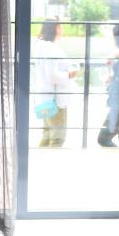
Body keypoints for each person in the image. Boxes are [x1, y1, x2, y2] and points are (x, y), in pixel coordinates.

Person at [34, 19, 76, 147]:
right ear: (56, 28)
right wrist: (69, 74)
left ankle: (40, 159)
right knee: (57, 137)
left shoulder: (40, 47)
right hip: (54, 100)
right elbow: (52, 75)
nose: (62, 29)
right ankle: (50, 159)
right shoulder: (50, 49)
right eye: (60, 26)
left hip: (44, 98)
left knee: (47, 135)